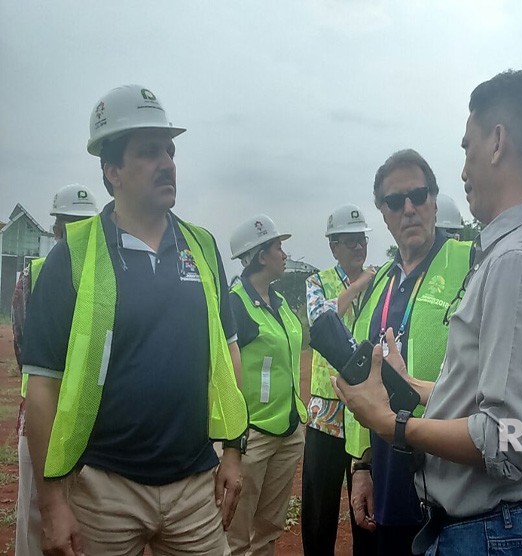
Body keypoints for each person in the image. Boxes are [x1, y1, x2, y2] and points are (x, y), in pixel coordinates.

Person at [335, 70, 522, 556]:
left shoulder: (513, 262)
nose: (463, 171)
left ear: (497, 143)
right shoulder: (518, 252)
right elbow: (493, 394)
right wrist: (425, 390)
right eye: (393, 201)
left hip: (486, 531)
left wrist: (390, 423)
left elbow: (506, 441)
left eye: (467, 149)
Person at [20, 84, 247, 555]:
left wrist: (231, 450)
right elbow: (43, 385)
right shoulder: (73, 258)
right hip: (104, 487)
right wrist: (53, 502)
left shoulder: (202, 249)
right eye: (148, 152)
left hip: (194, 487)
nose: (167, 162)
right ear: (111, 170)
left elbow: (227, 356)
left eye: (169, 150)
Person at [344, 149, 473, 554]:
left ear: (434, 200)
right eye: (396, 201)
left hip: (450, 474)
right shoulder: (380, 281)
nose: (409, 209)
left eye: (419, 195)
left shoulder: (472, 263)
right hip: (386, 468)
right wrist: (361, 464)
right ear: (383, 212)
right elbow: (358, 374)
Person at [11, 183, 99, 556]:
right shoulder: (34, 275)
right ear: (57, 228)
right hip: (43, 418)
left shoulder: (103, 278)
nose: (76, 232)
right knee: (37, 520)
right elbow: (24, 351)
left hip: (90, 420)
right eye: (70, 224)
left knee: (87, 521)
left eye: (84, 224)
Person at [226, 214, 306, 555]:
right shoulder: (235, 304)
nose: (284, 253)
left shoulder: (281, 302)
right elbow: (224, 374)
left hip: (287, 431)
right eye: (278, 246)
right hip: (252, 434)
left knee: (269, 527)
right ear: (260, 255)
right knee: (236, 529)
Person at [302, 204, 377, 556]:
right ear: (333, 247)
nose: (358, 248)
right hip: (327, 412)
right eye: (349, 242)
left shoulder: (383, 283)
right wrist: (361, 281)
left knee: (366, 502)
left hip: (366, 410)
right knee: (320, 505)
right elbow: (321, 320)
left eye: (361, 240)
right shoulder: (317, 282)